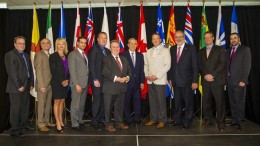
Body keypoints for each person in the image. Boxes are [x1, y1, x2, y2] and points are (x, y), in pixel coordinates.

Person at [168, 30, 198, 129]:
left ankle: (187, 121)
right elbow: (171, 65)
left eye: (180, 36)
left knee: (188, 103)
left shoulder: (191, 48)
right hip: (176, 81)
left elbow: (195, 66)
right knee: (177, 103)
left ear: (184, 37)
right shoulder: (172, 49)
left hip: (187, 82)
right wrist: (170, 78)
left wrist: (195, 81)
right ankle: (177, 120)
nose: (178, 38)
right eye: (176, 37)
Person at [5, 36, 34, 137]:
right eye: (19, 43)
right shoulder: (10, 55)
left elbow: (29, 71)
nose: (22, 45)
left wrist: (31, 84)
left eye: (23, 43)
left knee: (25, 108)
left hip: (26, 86)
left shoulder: (26, 55)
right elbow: (12, 72)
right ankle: (14, 130)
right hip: (16, 87)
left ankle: (23, 125)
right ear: (15, 44)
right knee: (15, 109)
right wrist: (19, 85)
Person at [198, 31, 226, 131]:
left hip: (217, 80)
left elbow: (222, 63)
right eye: (205, 38)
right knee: (206, 102)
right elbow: (200, 66)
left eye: (209, 37)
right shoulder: (200, 51)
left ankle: (221, 122)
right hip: (206, 80)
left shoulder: (220, 49)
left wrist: (212, 74)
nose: (207, 39)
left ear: (213, 38)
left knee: (219, 102)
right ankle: (207, 120)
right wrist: (206, 75)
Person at [102, 40, 131, 133]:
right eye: (113, 47)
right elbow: (105, 72)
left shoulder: (124, 59)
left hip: (122, 87)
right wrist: (117, 79)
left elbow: (129, 71)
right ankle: (108, 124)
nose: (116, 49)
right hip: (110, 88)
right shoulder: (106, 59)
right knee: (108, 108)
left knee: (119, 107)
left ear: (120, 48)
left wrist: (127, 78)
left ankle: (118, 123)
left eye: (117, 47)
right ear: (110, 49)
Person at [144, 33, 171, 129]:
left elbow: (167, 65)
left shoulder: (165, 51)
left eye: (157, 38)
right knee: (152, 101)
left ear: (160, 40)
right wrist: (147, 75)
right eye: (153, 39)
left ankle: (162, 120)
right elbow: (146, 65)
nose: (155, 40)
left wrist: (156, 76)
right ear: (151, 40)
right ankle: (153, 119)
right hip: (150, 80)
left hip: (159, 80)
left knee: (161, 101)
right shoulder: (148, 51)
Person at [226, 33, 251, 131]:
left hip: (239, 81)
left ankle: (240, 122)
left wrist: (244, 80)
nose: (233, 40)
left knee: (239, 102)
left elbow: (247, 66)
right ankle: (235, 120)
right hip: (230, 81)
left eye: (235, 38)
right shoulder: (227, 51)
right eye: (231, 39)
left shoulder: (245, 49)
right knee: (232, 102)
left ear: (239, 39)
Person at [88, 32, 111, 131]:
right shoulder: (94, 49)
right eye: (102, 38)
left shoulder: (107, 51)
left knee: (103, 101)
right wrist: (94, 79)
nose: (104, 40)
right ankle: (95, 121)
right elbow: (91, 65)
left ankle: (101, 119)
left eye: (105, 38)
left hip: (106, 81)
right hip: (97, 81)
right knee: (97, 101)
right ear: (97, 39)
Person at [121, 38, 144, 125]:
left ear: (137, 45)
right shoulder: (123, 55)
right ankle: (128, 118)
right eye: (131, 43)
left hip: (137, 82)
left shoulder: (140, 55)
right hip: (127, 83)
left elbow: (141, 69)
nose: (133, 45)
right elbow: (122, 70)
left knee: (137, 101)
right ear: (128, 44)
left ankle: (137, 118)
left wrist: (142, 82)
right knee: (126, 101)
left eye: (135, 44)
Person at [34, 38, 55, 132]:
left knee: (48, 105)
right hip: (42, 85)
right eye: (43, 43)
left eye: (48, 43)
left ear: (50, 45)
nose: (46, 44)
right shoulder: (39, 55)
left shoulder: (50, 55)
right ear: (41, 45)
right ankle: (41, 124)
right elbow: (38, 71)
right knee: (41, 105)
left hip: (50, 84)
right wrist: (41, 85)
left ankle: (46, 121)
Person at [68, 37, 89, 132]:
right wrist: (77, 84)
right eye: (81, 42)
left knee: (81, 105)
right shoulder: (73, 54)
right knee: (75, 105)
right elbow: (72, 71)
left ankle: (80, 120)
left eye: (85, 43)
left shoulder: (85, 54)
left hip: (84, 84)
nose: (83, 44)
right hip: (77, 84)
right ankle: (74, 124)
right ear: (77, 43)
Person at [49, 38, 69, 132]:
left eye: (63, 44)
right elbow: (53, 71)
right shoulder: (53, 56)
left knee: (62, 101)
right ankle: (57, 122)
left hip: (65, 83)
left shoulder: (66, 56)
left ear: (65, 45)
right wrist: (61, 81)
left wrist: (67, 80)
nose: (61, 46)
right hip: (57, 82)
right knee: (57, 102)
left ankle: (61, 120)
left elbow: (68, 70)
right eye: (59, 44)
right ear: (56, 45)